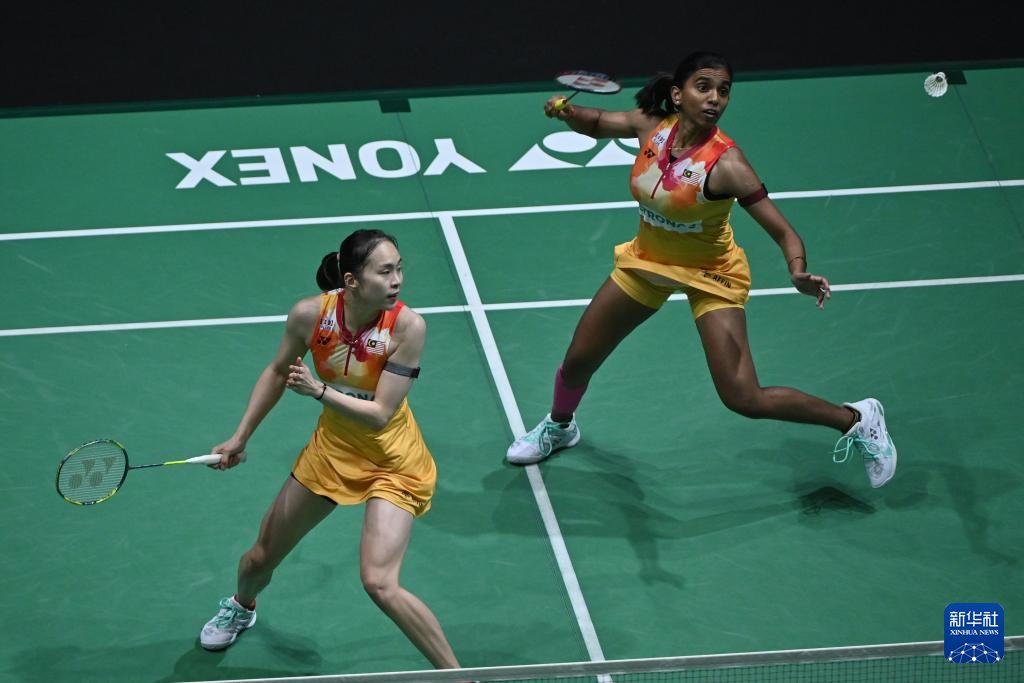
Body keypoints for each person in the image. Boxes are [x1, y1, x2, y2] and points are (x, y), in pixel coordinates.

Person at [506, 52, 896, 488]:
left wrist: (797, 271)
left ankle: (856, 419)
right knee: (579, 360)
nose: (715, 99)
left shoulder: (728, 164)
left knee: (743, 396)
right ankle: (560, 427)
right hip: (648, 261)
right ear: (678, 94)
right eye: (704, 87)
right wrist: (567, 112)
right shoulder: (652, 126)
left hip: (711, 273)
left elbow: (784, 232)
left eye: (723, 91)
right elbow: (597, 122)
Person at [199, 229, 461, 669]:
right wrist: (241, 436)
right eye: (385, 271)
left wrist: (318, 391)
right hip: (332, 454)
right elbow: (277, 370)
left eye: (399, 269)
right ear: (352, 280)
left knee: (380, 583)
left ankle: (460, 677)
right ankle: (242, 606)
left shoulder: (408, 327)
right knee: (259, 559)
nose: (397, 280)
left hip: (393, 463)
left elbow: (380, 414)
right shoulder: (310, 315)